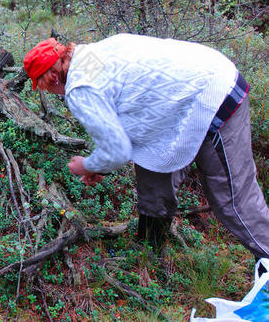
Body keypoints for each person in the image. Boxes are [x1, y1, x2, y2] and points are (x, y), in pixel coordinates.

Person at [23, 34, 269, 275]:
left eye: (44, 86)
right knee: (153, 174)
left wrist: (87, 165)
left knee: (233, 199)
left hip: (216, 96)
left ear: (53, 77)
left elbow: (117, 150)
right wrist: (101, 167)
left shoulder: (80, 87)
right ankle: (149, 255)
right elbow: (123, 115)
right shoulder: (91, 55)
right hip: (186, 99)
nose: (50, 93)